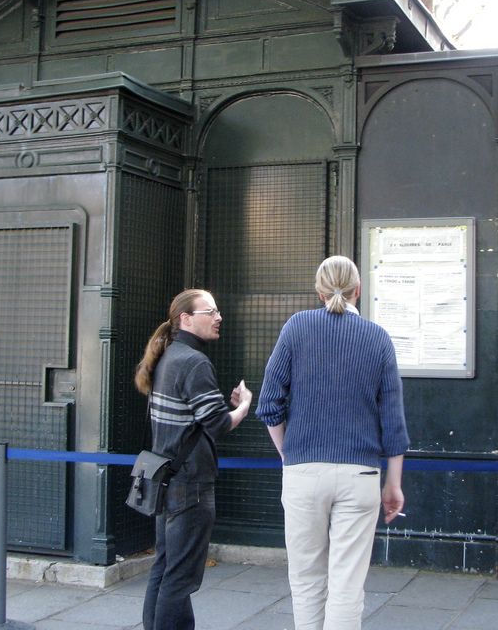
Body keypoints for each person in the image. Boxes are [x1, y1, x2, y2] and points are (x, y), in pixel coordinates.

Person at [256, 256, 409, 630]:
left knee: (306, 580)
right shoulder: (377, 338)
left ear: (319, 291)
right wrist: (393, 484)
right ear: (359, 290)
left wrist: (288, 453)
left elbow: (268, 404)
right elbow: (393, 421)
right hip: (360, 474)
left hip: (303, 472)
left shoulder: (297, 327)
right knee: (347, 584)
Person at [135, 289, 254, 630]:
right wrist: (243, 405)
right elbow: (217, 424)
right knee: (180, 578)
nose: (218, 317)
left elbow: (199, 416)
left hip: (166, 479)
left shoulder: (169, 357)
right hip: (191, 484)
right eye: (210, 311)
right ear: (186, 319)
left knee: (165, 568)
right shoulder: (194, 361)